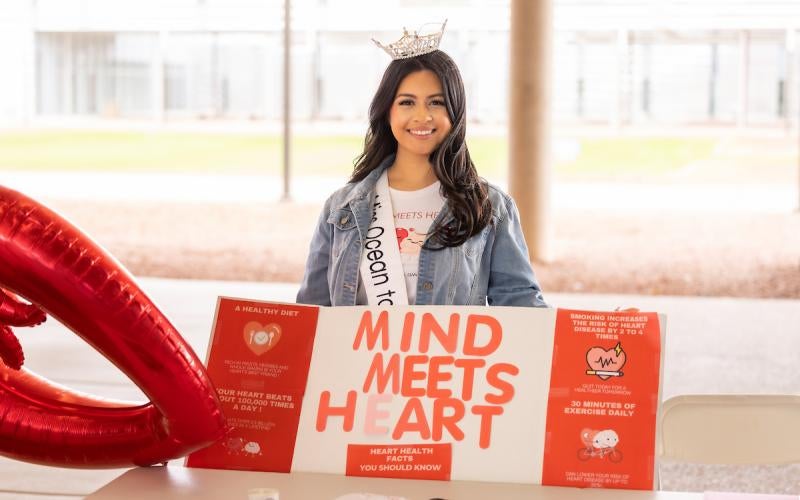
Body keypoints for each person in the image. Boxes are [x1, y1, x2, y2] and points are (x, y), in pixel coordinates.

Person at [296, 24, 546, 308]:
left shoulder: (490, 207)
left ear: (455, 111)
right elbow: (311, 313)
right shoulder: (341, 209)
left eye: (436, 103)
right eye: (407, 102)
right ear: (387, 111)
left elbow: (521, 306)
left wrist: (581, 329)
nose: (422, 116)